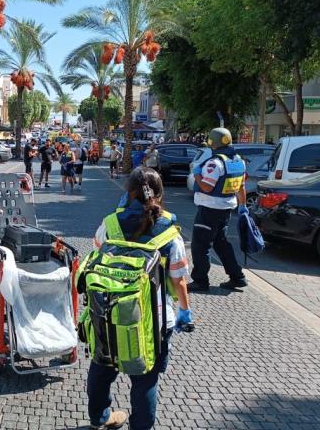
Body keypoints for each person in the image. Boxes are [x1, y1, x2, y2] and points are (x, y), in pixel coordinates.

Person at [87, 167, 194, 430]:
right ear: (160, 193)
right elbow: (179, 279)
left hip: (108, 310)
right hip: (154, 320)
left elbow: (97, 257)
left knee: (102, 366)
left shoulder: (110, 223)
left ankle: (100, 417)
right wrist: (184, 311)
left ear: (128, 192)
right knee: (146, 378)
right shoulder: (170, 232)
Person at [189, 127, 248, 292]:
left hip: (209, 209)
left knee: (200, 245)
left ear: (212, 143)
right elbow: (241, 186)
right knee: (221, 243)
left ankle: (200, 281)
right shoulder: (238, 161)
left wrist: (197, 175)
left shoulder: (215, 163)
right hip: (226, 209)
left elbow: (207, 187)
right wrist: (243, 206)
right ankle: (237, 277)